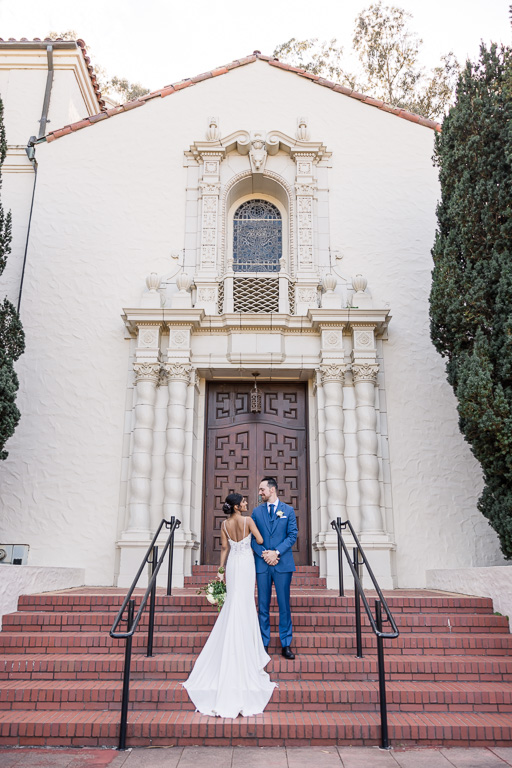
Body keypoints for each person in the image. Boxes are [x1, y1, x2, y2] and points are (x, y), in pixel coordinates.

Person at [183, 492, 276, 717]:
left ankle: (231, 638)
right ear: (236, 507)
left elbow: (224, 549)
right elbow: (261, 541)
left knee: (234, 600)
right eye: (243, 502)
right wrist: (253, 537)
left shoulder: (225, 525)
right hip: (246, 564)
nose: (246, 504)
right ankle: (245, 641)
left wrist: (221, 570)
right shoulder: (248, 521)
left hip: (233, 563)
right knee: (244, 600)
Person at [251, 477, 298, 660]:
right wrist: (264, 554)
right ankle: (264, 642)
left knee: (284, 605)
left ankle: (286, 643)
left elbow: (292, 535)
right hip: (263, 564)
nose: (260, 492)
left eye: (262, 489)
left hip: (282, 564)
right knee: (263, 605)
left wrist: (276, 552)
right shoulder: (256, 512)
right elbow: (252, 538)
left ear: (272, 490)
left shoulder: (288, 510)